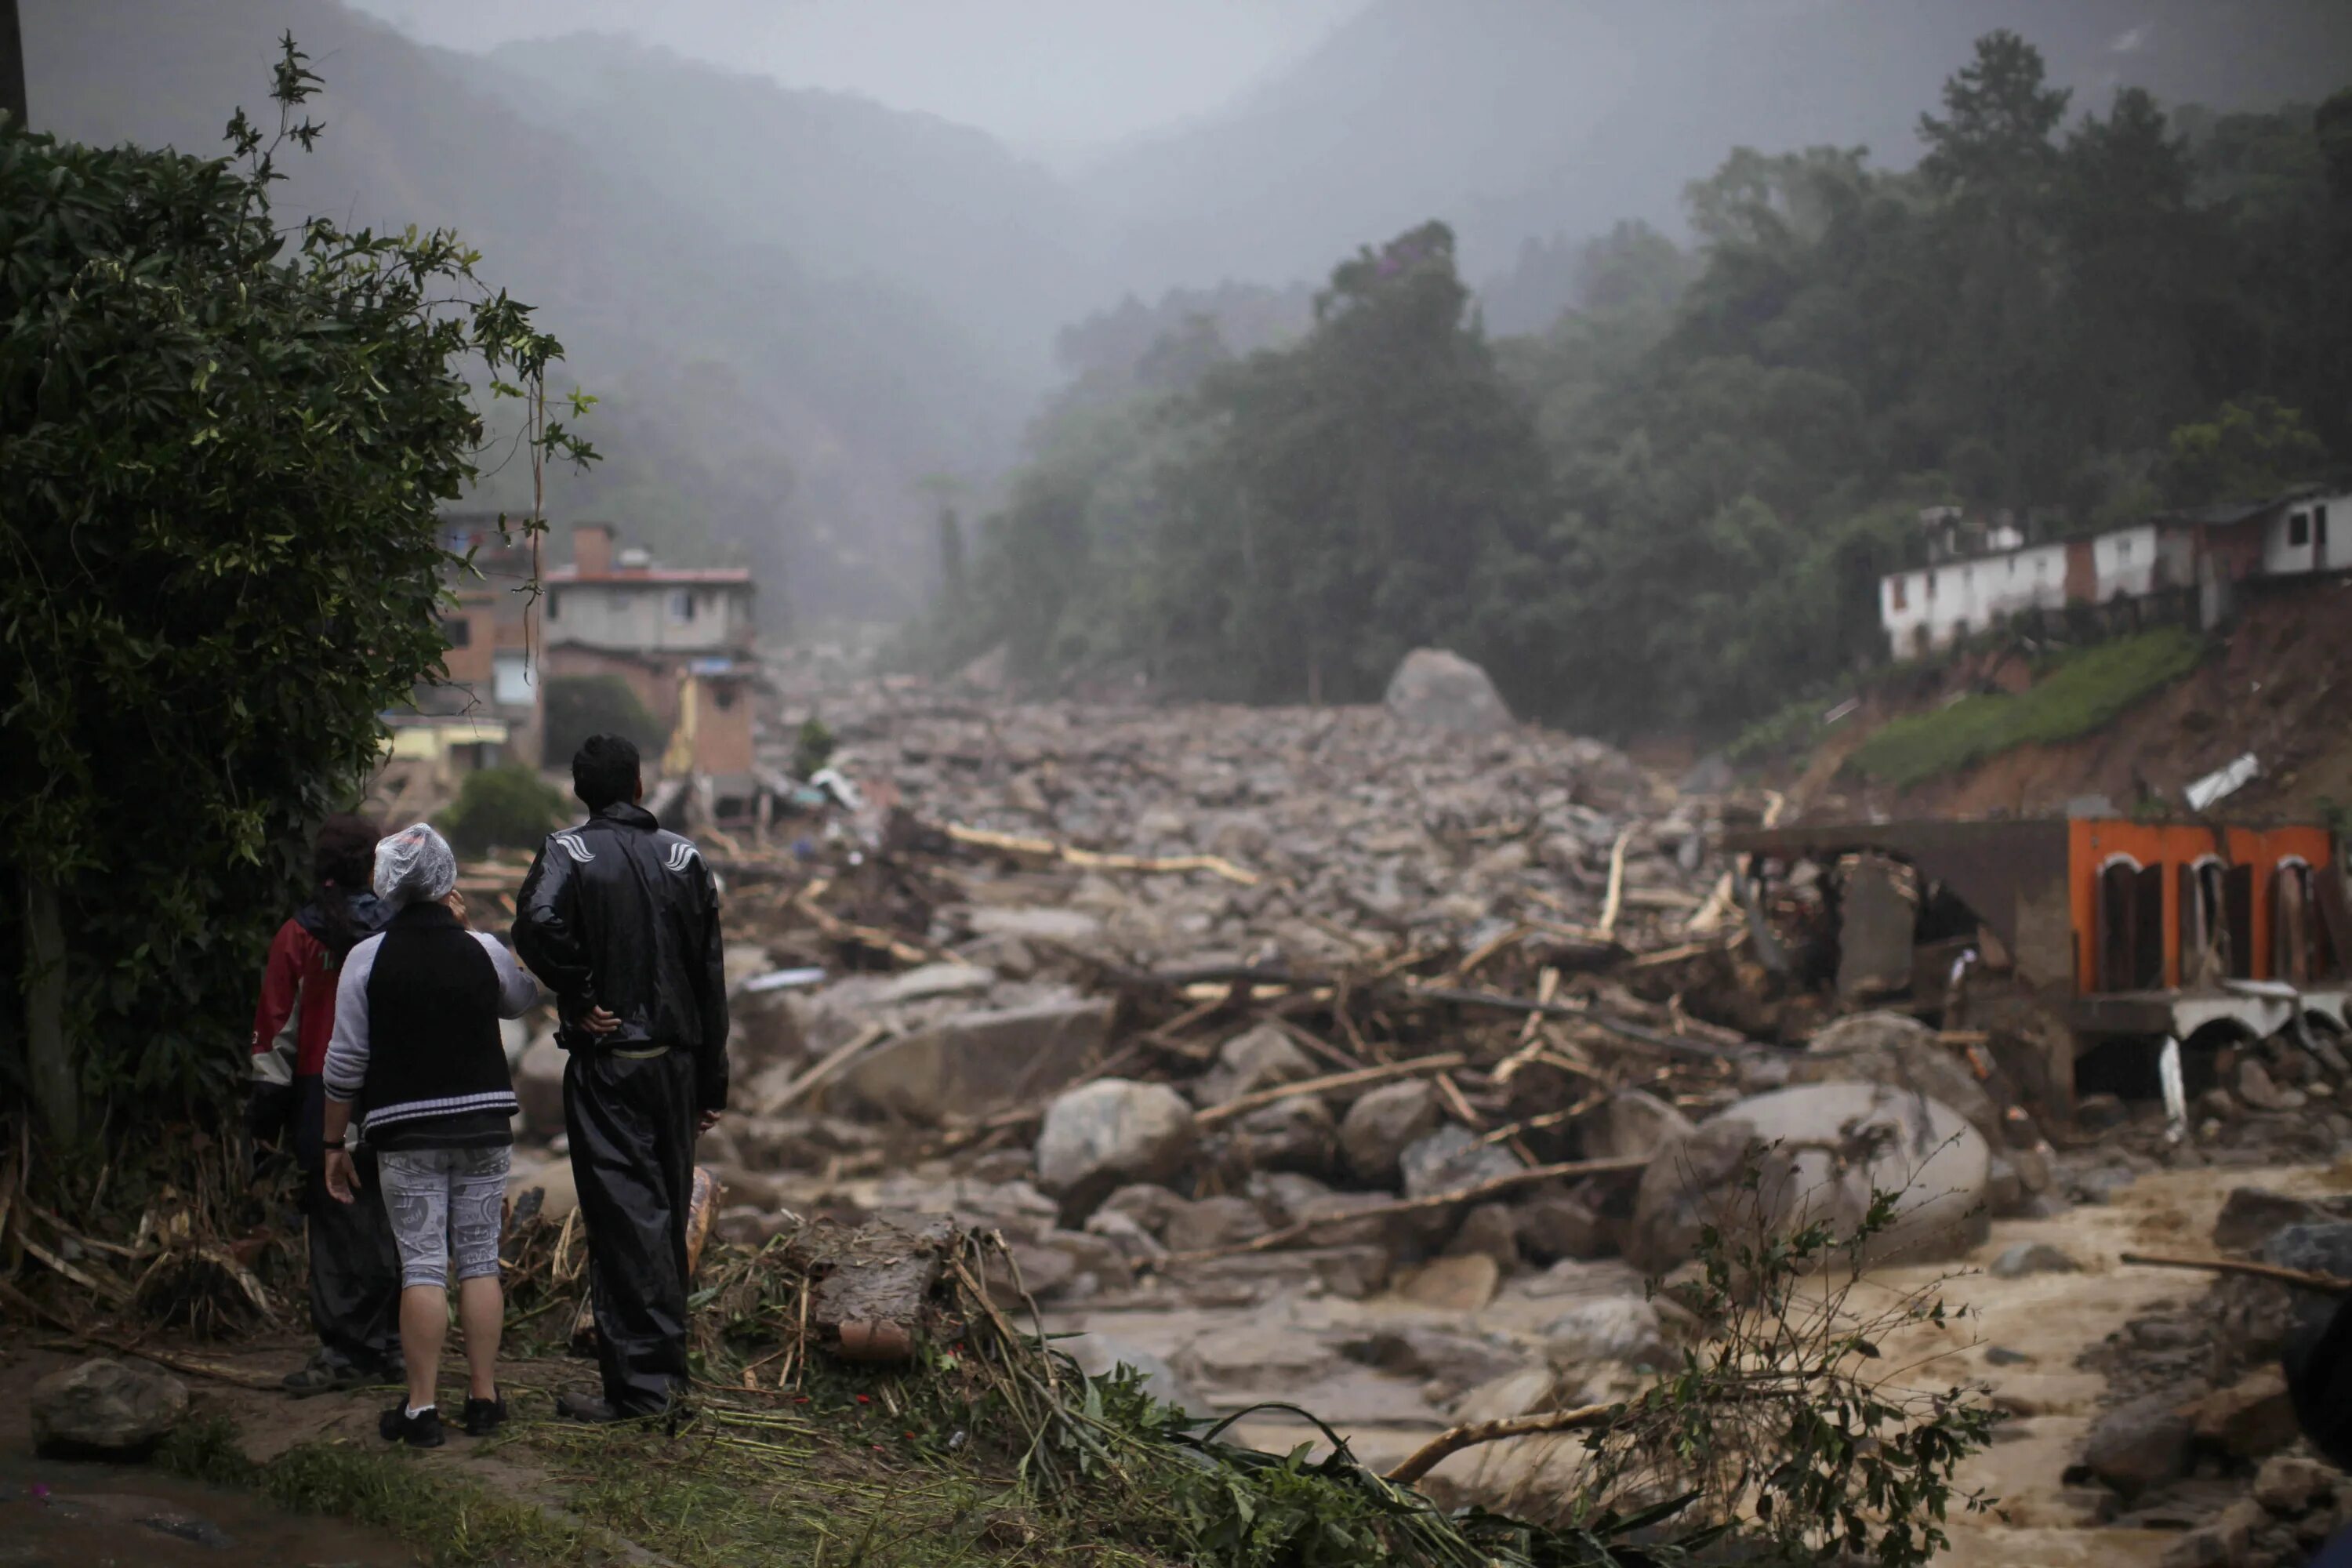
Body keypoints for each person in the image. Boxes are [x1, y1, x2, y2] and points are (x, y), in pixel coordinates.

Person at [514, 735, 728, 1422]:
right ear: (639, 784)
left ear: (581, 791)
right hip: (676, 1066)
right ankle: (664, 1378)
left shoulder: (566, 853)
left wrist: (579, 991)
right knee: (661, 1218)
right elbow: (709, 979)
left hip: (611, 1067)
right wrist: (711, 1084)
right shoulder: (687, 857)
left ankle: (643, 1392)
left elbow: (535, 923)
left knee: (625, 1221)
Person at [321, 823, 538, 1448]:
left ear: (385, 887)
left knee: (421, 1266)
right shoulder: (483, 950)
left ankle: (422, 1410)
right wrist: (470, 930)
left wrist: (334, 1145)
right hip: (483, 1127)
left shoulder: (367, 959)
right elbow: (520, 999)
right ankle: (484, 1398)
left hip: (405, 1132)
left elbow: (344, 1065)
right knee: (477, 1261)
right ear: (448, 882)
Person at [249, 813, 403, 1396]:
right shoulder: (401, 930)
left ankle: (346, 1353)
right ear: (375, 865)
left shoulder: (298, 936)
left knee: (338, 1227)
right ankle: (392, 1345)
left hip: (320, 1099)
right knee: (391, 1221)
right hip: (394, 1096)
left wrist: (265, 1121)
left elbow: (275, 1036)